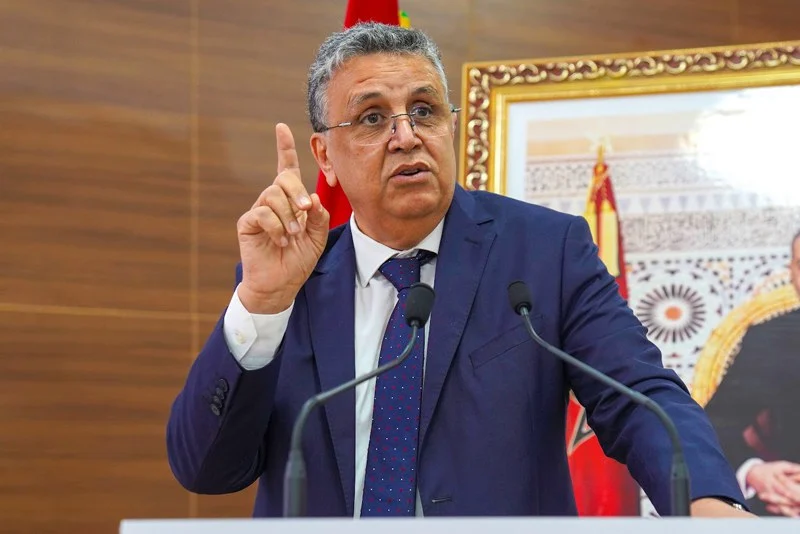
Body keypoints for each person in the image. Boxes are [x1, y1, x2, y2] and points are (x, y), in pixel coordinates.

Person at [166, 22, 751, 518]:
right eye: (372, 118)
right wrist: (261, 303)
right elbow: (206, 469)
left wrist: (706, 502)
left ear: (448, 125)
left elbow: (638, 397)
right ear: (325, 158)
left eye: (423, 111)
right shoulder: (292, 278)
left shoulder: (544, 252)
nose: (405, 137)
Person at [704, 230, 800, 518]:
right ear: (792, 273)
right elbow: (715, 425)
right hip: (786, 508)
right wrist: (756, 473)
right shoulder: (769, 340)